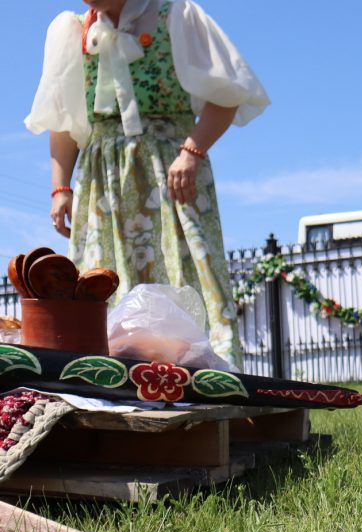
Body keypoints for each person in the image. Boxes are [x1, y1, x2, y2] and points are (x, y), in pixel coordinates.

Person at [25, 0, 269, 369]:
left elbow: (227, 94)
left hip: (171, 173)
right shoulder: (71, 31)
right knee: (102, 278)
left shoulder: (176, 16)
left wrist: (191, 152)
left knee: (183, 274)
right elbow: (63, 120)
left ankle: (200, 377)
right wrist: (61, 189)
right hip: (103, 182)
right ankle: (111, 381)